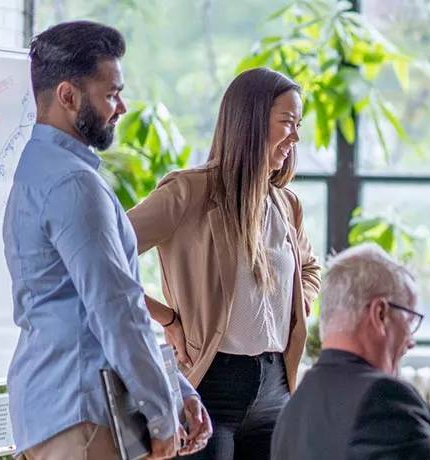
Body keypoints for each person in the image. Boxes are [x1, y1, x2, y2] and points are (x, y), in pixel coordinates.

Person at [4, 20, 211, 459]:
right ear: (68, 96)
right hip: (82, 418)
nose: (121, 107)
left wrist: (177, 388)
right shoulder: (74, 184)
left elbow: (111, 306)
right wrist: (162, 412)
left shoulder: (36, 169)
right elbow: (116, 311)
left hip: (53, 411)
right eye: (111, 94)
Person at [126, 67, 322, 460]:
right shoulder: (188, 191)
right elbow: (104, 255)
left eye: (298, 124)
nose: (295, 137)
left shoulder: (287, 204)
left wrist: (300, 303)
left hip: (275, 386)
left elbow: (310, 270)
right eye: (287, 122)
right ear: (249, 121)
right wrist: (166, 317)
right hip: (210, 385)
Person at [270, 244, 430, 459]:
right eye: (409, 321)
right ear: (380, 314)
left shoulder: (292, 411)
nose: (410, 342)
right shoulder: (384, 401)